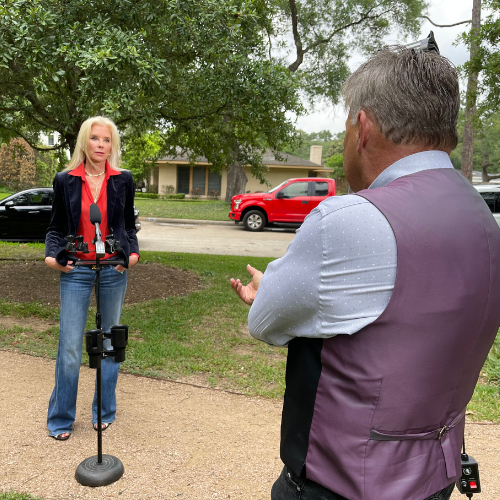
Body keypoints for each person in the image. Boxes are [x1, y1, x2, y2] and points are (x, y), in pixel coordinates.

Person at [231, 47, 500, 500]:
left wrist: (269, 292)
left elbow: (265, 322)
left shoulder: (349, 219)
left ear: (363, 128)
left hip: (344, 482)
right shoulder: (483, 220)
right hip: (438, 474)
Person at [45, 116, 139, 441]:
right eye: (96, 139)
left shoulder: (123, 179)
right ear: (85, 141)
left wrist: (132, 254)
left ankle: (104, 411)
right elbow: (56, 228)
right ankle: (60, 418)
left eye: (107, 140)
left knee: (111, 341)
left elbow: (128, 225)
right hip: (76, 271)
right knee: (70, 347)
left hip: (113, 269)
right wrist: (52, 256)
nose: (101, 145)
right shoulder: (65, 180)